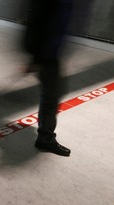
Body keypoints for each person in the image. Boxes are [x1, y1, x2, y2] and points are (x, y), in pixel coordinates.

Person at [23, 0, 73, 156]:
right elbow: (38, 20)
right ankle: (46, 138)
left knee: (54, 93)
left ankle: (46, 135)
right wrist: (37, 57)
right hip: (47, 53)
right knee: (52, 95)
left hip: (50, 51)